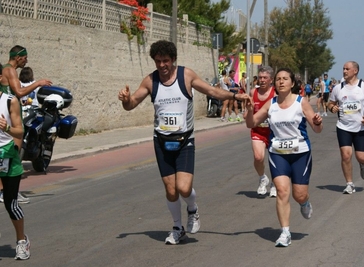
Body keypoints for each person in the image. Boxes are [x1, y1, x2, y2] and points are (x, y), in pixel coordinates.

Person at [118, 40, 251, 245]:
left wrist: (236, 95)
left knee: (184, 188)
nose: (162, 65)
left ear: (173, 60)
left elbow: (212, 92)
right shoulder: (150, 81)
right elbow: (131, 104)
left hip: (184, 140)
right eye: (158, 61)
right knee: (171, 190)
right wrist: (125, 99)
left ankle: (193, 208)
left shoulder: (186, 76)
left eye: (166, 61)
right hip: (162, 141)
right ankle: (177, 227)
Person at [245, 67, 323, 247]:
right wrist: (249, 110)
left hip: (300, 154)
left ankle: (304, 203)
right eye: (278, 79)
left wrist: (318, 122)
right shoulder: (270, 104)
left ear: (292, 83)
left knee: (299, 194)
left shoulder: (301, 102)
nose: (281, 81)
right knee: (281, 191)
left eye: (285, 79)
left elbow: (317, 130)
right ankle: (285, 232)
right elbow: (252, 123)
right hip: (277, 153)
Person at [0, 45, 51, 204]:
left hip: (11, 114)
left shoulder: (9, 71)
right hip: (9, 117)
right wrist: (39, 83)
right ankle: (8, 192)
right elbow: (20, 92)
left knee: (8, 156)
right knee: (13, 155)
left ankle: (7, 191)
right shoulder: (10, 70)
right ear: (18, 57)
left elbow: (17, 93)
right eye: (25, 57)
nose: (26, 60)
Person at [327, 61, 364, 194]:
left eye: (347, 69)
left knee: (362, 157)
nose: (344, 71)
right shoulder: (339, 88)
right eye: (343, 69)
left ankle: (363, 164)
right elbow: (330, 103)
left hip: (360, 128)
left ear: (355, 71)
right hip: (343, 126)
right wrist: (333, 108)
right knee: (346, 155)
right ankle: (349, 184)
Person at [0, 63, 31, 260]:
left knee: (11, 204)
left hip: (8, 156)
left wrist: (7, 128)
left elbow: (20, 130)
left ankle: (22, 241)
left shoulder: (9, 101)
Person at [244, 66, 277, 197]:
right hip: (257, 130)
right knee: (258, 157)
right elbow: (248, 109)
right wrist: (247, 113)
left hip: (274, 132)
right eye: (260, 77)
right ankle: (263, 178)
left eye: (265, 78)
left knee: (275, 160)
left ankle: (275, 183)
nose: (262, 80)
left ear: (271, 80)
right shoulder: (253, 92)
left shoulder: (275, 93)